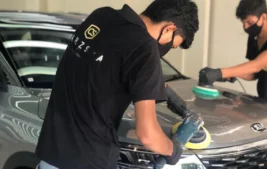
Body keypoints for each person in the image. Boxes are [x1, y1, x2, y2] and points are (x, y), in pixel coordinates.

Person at [35, 0, 199, 169]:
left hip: (52, 153)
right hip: (89, 159)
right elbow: (147, 135)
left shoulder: (103, 16)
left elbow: (108, 70)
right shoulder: (144, 46)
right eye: (173, 44)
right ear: (169, 29)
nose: (168, 48)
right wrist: (172, 150)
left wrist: (170, 98)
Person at [199, 0, 267, 126]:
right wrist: (232, 74)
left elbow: (257, 65)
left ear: (263, 17)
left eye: (249, 22)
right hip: (266, 107)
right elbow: (253, 73)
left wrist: (219, 72)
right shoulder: (254, 39)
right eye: (243, 23)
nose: (246, 27)